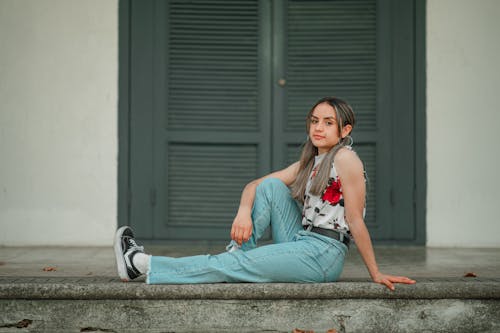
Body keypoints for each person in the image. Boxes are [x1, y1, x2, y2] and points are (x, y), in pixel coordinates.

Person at [114, 96, 416, 290]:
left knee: (234, 265)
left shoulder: (346, 159)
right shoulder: (312, 161)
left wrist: (375, 273)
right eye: (314, 121)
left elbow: (356, 221)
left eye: (328, 123)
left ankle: (141, 264)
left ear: (345, 130)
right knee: (271, 186)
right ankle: (238, 254)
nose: (318, 128)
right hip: (301, 239)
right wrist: (243, 212)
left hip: (323, 254)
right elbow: (255, 186)